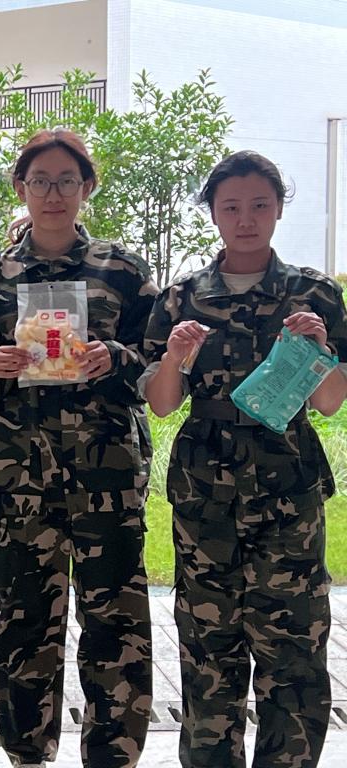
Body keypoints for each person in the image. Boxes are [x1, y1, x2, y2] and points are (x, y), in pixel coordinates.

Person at [0, 128, 157, 768]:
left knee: (116, 624)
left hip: (108, 478)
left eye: (67, 180)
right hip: (20, 480)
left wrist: (115, 356)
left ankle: (113, 756)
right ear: (21, 187)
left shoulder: (123, 272)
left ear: (87, 187)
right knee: (25, 623)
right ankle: (26, 753)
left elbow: (158, 368)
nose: (53, 193)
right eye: (40, 180)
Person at [141, 150, 347, 768]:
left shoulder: (313, 293)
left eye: (260, 205)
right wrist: (174, 357)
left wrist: (319, 349)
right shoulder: (182, 297)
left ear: (279, 208)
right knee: (209, 648)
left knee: (294, 647)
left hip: (288, 487)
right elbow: (161, 404)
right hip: (205, 489)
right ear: (212, 213)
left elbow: (330, 403)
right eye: (231, 207)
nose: (246, 219)